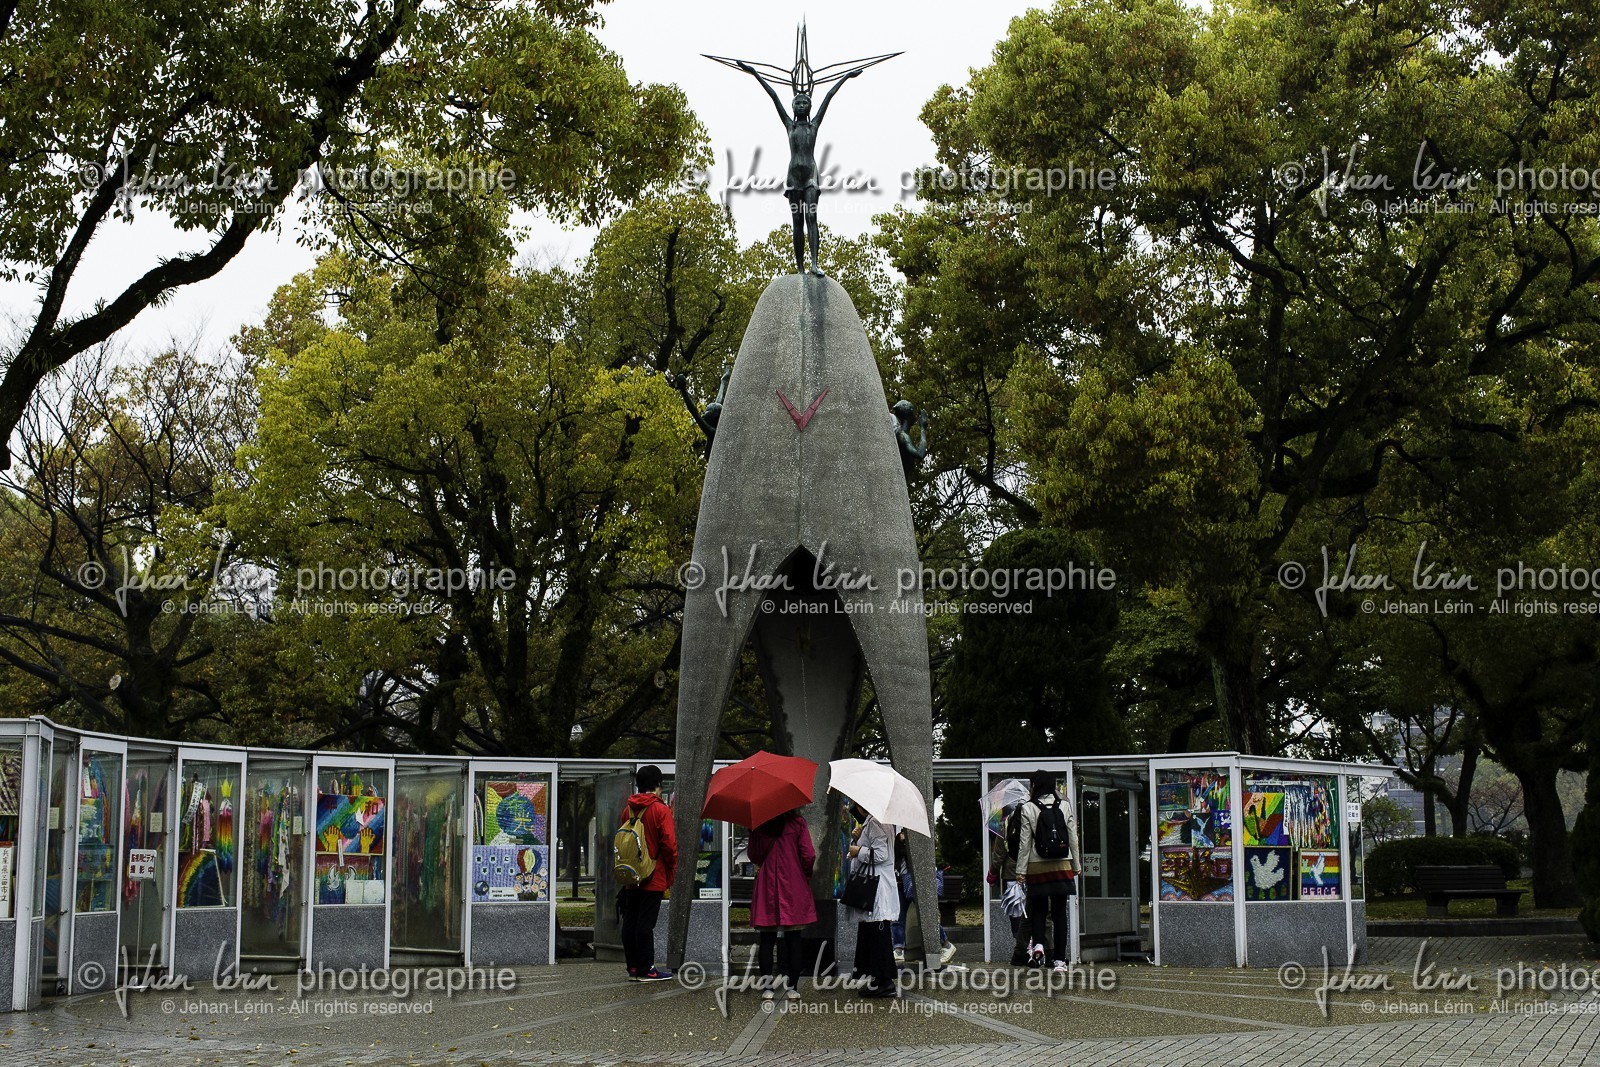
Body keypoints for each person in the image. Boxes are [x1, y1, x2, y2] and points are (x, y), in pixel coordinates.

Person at [748, 808, 817, 1000]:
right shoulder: (797, 824)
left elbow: (753, 855)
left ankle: (767, 988)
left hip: (767, 885)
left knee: (767, 940)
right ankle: (793, 987)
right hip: (792, 884)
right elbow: (809, 855)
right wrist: (804, 874)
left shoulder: (758, 826)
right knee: (794, 938)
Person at [619, 765, 677, 982]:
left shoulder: (628, 810)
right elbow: (669, 845)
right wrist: (671, 871)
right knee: (646, 923)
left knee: (631, 921)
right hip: (654, 874)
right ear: (659, 784)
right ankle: (647, 969)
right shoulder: (660, 810)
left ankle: (633, 967)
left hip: (631, 874)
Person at [1015, 770, 1078, 972]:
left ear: (1035, 785)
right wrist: (1076, 865)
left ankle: (1039, 945)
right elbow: (1073, 838)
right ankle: (1059, 960)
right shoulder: (1065, 805)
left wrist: (1020, 871)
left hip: (1036, 864)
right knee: (1060, 912)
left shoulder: (1028, 808)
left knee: (1039, 908)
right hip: (1061, 863)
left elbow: (1025, 843)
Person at [843, 802, 899, 998]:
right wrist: (858, 840)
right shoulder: (877, 822)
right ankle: (879, 978)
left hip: (876, 889)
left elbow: (881, 854)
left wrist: (859, 851)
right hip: (876, 889)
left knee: (877, 936)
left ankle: (885, 981)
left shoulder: (875, 822)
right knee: (874, 935)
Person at [890, 830, 956, 965]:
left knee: (925, 915)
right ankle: (898, 948)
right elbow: (893, 854)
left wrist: (904, 842)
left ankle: (946, 944)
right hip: (899, 879)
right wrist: (899, 841)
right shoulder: (895, 834)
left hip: (914, 880)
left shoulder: (918, 830)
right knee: (897, 916)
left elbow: (917, 854)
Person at [989, 802, 1028, 966]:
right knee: (1032, 911)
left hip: (1012, 874)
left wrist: (992, 873)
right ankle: (1034, 946)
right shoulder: (1032, 819)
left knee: (1016, 913)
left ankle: (1021, 949)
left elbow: (999, 853)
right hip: (1032, 872)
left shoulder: (1005, 823)